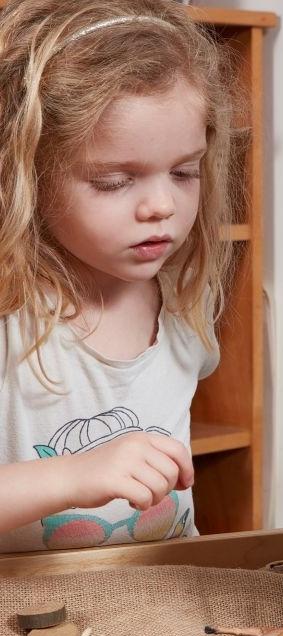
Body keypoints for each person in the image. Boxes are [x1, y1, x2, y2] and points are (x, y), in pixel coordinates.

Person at [0, 0, 236, 551]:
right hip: (33, 604)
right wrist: (71, 477)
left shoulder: (184, 300)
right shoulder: (12, 318)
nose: (161, 206)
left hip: (160, 592)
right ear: (28, 175)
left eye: (185, 172)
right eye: (114, 182)